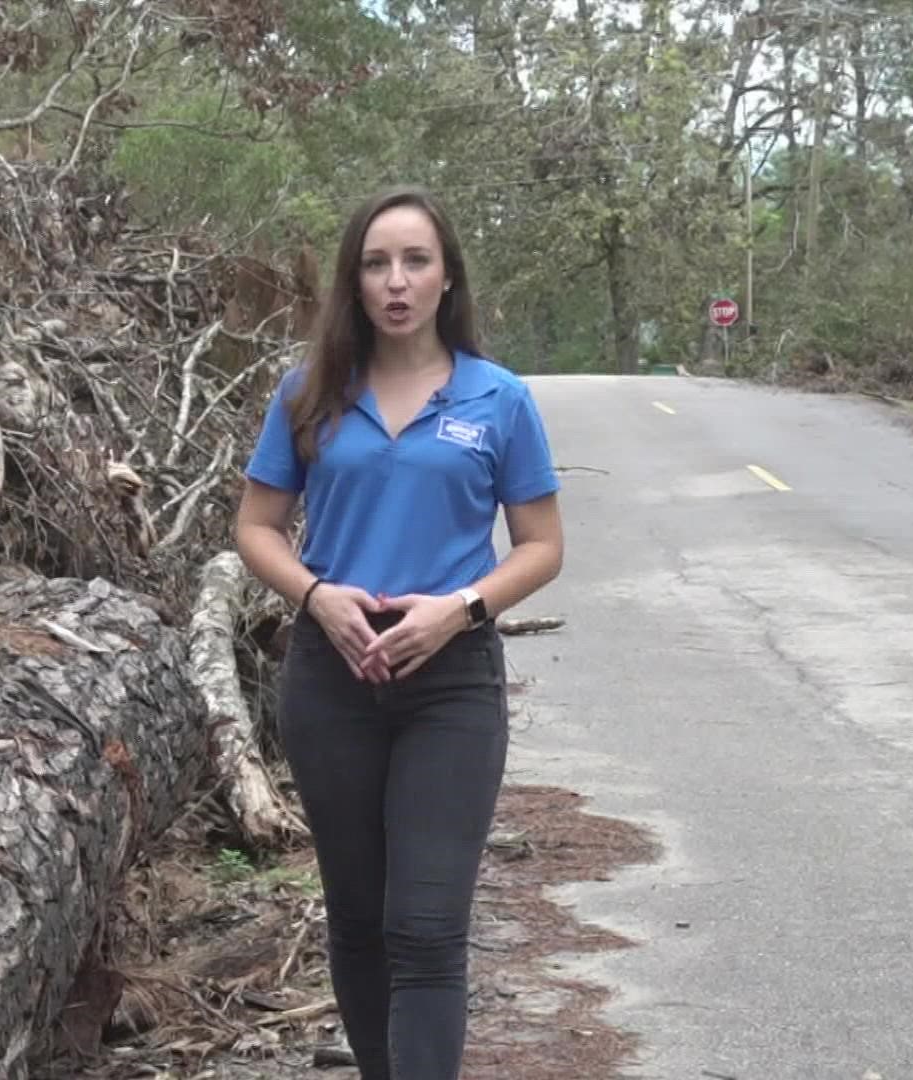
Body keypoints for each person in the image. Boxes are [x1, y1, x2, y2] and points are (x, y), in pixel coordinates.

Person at [232, 186, 565, 1079]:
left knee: (425, 927)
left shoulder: (498, 400)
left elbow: (541, 548)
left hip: (450, 684)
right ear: (354, 281)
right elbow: (256, 527)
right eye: (377, 263)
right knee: (359, 918)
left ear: (447, 275)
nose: (396, 281)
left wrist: (458, 610)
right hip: (332, 680)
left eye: (415, 261)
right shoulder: (309, 393)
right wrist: (316, 597)